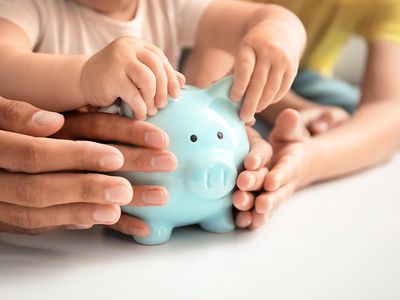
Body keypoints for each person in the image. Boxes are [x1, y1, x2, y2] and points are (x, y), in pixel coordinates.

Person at [0, 0, 306, 235]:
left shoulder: (168, 5)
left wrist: (278, 34)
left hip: (160, 188)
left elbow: (264, 17)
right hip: (63, 211)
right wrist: (83, 76)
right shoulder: (30, 7)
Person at [183, 0, 400, 228]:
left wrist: (306, 162)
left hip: (302, 84)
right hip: (230, 78)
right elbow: (212, 79)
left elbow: (390, 108)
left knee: (344, 104)